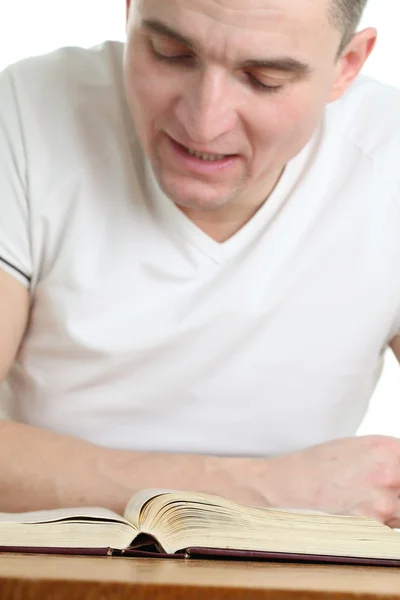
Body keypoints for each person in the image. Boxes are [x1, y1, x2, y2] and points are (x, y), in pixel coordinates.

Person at [1, 0, 400, 525]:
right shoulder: (29, 112)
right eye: (171, 53)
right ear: (128, 15)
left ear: (346, 66)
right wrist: (264, 492)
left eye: (264, 79)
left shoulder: (385, 156)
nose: (203, 122)